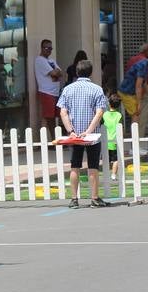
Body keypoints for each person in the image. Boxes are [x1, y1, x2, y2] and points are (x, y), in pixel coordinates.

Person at [57, 59, 108, 207]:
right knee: (93, 166)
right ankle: (94, 198)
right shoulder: (97, 89)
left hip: (75, 135)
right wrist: (89, 130)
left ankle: (74, 198)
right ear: (91, 72)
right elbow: (99, 113)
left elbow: (63, 112)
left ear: (77, 72)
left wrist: (71, 131)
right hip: (92, 135)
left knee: (75, 166)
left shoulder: (68, 89)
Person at [119, 46, 148, 137]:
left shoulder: (145, 65)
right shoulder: (143, 65)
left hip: (129, 93)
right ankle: (134, 146)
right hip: (126, 92)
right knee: (136, 115)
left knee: (136, 116)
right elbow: (138, 85)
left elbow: (144, 84)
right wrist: (139, 104)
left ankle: (135, 144)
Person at [33, 39, 63, 134]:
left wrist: (55, 73)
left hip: (55, 92)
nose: (49, 50)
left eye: (51, 48)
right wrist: (55, 73)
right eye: (47, 48)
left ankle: (56, 139)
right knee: (49, 117)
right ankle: (52, 140)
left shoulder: (51, 60)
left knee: (55, 116)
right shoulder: (40, 60)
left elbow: (60, 73)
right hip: (46, 92)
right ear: (42, 48)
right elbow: (54, 72)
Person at [103, 94, 125, 183]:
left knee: (106, 158)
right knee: (116, 159)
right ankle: (113, 174)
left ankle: (106, 174)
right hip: (116, 141)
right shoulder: (119, 115)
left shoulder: (104, 115)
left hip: (106, 141)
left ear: (109, 103)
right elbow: (121, 128)